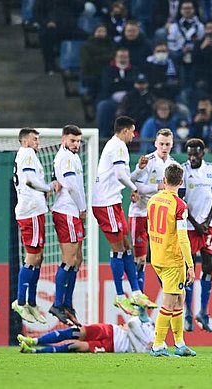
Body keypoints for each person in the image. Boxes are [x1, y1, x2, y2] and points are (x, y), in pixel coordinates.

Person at [92, 116, 155, 316]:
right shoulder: (118, 146)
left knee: (127, 246)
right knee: (119, 249)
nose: (134, 135)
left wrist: (138, 171)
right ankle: (120, 296)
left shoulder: (116, 146)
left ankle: (135, 292)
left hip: (112, 202)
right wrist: (135, 189)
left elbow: (123, 175)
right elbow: (120, 176)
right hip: (106, 203)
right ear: (125, 130)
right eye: (133, 131)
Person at [11, 128, 60, 324]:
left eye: (38, 139)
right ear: (25, 141)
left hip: (35, 210)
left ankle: (31, 301)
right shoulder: (28, 153)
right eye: (34, 139)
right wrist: (48, 187)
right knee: (32, 256)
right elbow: (30, 181)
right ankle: (21, 301)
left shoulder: (26, 155)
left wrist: (43, 191)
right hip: (30, 211)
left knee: (38, 257)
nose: (38, 142)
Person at [128, 128, 178, 320]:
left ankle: (167, 301)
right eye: (161, 144)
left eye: (167, 144)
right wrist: (156, 187)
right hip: (141, 213)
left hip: (161, 217)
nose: (164, 147)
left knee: (160, 260)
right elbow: (135, 185)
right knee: (140, 260)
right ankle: (140, 307)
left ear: (172, 144)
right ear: (155, 144)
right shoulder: (147, 161)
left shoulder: (174, 165)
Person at [148, 163, 196, 357]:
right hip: (172, 260)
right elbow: (183, 238)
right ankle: (157, 345)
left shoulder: (153, 200)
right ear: (181, 182)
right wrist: (190, 265)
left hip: (157, 256)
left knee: (179, 300)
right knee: (169, 303)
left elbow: (149, 227)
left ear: (164, 181)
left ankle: (179, 343)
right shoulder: (180, 205)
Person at [179, 138, 212, 332]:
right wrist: (196, 223)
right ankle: (188, 313)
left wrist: (206, 221)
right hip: (189, 226)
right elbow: (180, 200)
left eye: (195, 153)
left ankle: (203, 312)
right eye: (189, 154)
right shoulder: (182, 170)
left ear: (203, 153)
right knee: (190, 269)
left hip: (208, 226)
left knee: (209, 266)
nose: (192, 157)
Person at [49, 125, 87, 326]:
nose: (76, 144)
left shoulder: (73, 157)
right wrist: (82, 209)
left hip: (72, 212)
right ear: (64, 139)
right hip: (67, 211)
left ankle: (67, 304)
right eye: (73, 140)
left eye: (79, 141)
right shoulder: (64, 157)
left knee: (78, 258)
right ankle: (57, 303)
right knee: (70, 259)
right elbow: (72, 187)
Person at [17, 317, 154, 354]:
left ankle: (33, 350)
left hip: (113, 346)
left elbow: (140, 351)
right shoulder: (148, 323)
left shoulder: (160, 345)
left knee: (76, 346)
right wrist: (138, 337)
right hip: (110, 331)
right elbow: (131, 323)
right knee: (76, 331)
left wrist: (131, 334)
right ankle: (34, 340)